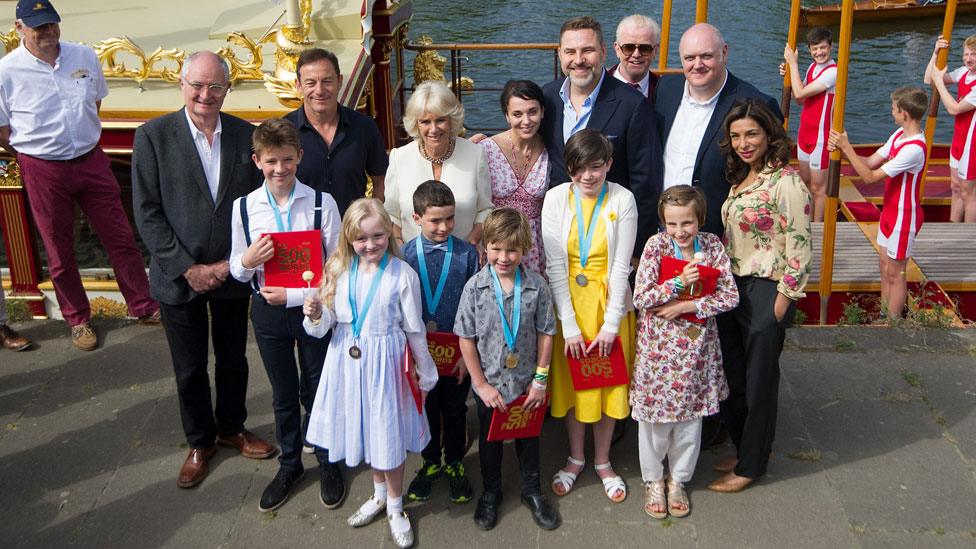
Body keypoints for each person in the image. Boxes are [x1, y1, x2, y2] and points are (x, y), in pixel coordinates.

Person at [133, 51, 273, 489]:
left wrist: (230, 263)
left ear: (227, 89)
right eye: (197, 85)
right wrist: (187, 268)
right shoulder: (152, 136)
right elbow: (147, 213)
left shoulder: (246, 136)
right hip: (179, 277)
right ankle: (200, 441)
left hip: (232, 271)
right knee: (189, 367)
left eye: (215, 86)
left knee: (233, 359)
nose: (205, 95)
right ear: (182, 84)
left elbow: (257, 209)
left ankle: (231, 427)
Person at [0, 0, 159, 351]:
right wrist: (37, 152)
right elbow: (2, 130)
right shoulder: (6, 71)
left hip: (90, 159)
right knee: (59, 249)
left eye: (52, 24)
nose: (48, 32)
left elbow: (95, 103)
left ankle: (144, 305)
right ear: (19, 29)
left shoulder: (83, 56)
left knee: (120, 237)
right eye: (39, 27)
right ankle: (77, 319)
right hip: (43, 168)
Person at [302, 198, 437, 549]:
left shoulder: (401, 274)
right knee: (368, 430)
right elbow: (326, 325)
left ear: (388, 235)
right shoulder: (337, 271)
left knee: (387, 433)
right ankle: (378, 495)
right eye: (361, 239)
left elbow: (414, 329)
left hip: (387, 364)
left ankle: (395, 506)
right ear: (348, 239)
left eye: (378, 236)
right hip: (347, 362)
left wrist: (425, 370)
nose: (370, 244)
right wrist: (317, 313)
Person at [228, 118, 342, 512]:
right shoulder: (243, 207)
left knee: (318, 387)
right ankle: (290, 463)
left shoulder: (321, 203)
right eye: (272, 161)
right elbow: (236, 268)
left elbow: (336, 269)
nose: (280, 169)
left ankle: (327, 460)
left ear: (300, 158)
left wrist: (296, 296)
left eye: (288, 160)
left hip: (312, 308)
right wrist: (247, 259)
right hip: (267, 313)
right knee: (283, 393)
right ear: (257, 160)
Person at [712, 99, 812, 493]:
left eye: (751, 133)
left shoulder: (787, 181)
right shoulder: (746, 176)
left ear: (769, 134)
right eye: (736, 136)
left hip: (768, 289)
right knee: (735, 377)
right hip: (736, 287)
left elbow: (800, 244)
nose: (743, 142)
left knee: (759, 383)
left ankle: (752, 466)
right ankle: (745, 449)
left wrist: (783, 300)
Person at [631, 185, 738, 519]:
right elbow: (641, 298)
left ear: (700, 219)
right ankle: (652, 480)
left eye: (687, 223)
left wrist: (689, 305)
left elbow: (730, 296)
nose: (680, 231)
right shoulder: (655, 246)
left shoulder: (712, 247)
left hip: (696, 350)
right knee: (655, 423)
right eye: (672, 224)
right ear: (663, 222)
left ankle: (678, 480)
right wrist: (676, 284)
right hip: (659, 351)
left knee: (690, 422)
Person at [541, 129, 637, 503]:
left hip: (609, 303)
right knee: (573, 386)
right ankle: (575, 457)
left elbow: (619, 268)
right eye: (579, 168)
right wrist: (567, 324)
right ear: (569, 168)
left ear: (609, 165)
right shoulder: (554, 199)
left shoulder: (623, 199)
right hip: (569, 306)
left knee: (608, 383)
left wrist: (612, 325)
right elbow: (554, 265)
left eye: (596, 167)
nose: (588, 176)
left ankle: (603, 461)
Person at [455, 207, 560, 531]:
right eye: (496, 248)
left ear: (525, 249)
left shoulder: (537, 286)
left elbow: (546, 333)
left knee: (529, 439)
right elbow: (466, 338)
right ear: (485, 247)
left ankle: (532, 490)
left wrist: (540, 381)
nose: (503, 257)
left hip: (527, 384)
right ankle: (491, 491)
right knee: (490, 442)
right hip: (491, 388)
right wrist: (480, 385)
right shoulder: (475, 287)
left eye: (512, 249)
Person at [541, 16, 661, 251]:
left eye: (587, 50)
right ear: (559, 54)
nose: (578, 60)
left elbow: (646, 183)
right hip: (558, 235)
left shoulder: (632, 105)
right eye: (570, 51)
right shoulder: (548, 98)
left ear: (604, 52)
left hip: (610, 238)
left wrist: (637, 252)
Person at [655, 23, 782, 236]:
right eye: (689, 58)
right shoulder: (666, 88)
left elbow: (770, 177)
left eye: (706, 56)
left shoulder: (756, 104)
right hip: (664, 228)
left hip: (720, 233)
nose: (697, 65)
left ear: (724, 52)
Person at [402, 180, 479, 504]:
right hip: (422, 354)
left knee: (455, 408)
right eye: (435, 220)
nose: (444, 226)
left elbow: (475, 305)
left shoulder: (467, 254)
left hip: (458, 352)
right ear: (417, 218)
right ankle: (431, 463)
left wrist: (468, 355)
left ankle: (456, 464)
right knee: (427, 408)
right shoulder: (406, 254)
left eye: (449, 218)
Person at [828, 88, 929, 321]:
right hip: (890, 212)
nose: (891, 112)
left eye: (894, 109)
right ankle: (884, 315)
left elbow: (869, 177)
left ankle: (893, 324)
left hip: (905, 217)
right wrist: (843, 152)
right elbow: (870, 162)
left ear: (904, 113)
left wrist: (847, 148)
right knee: (884, 266)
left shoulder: (914, 149)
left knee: (896, 273)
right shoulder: (899, 135)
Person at [384, 81, 492, 248]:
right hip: (411, 260)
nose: (433, 129)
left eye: (440, 120)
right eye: (425, 122)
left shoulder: (475, 155)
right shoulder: (399, 158)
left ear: (452, 120)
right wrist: (399, 245)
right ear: (416, 124)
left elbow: (485, 211)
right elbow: (391, 215)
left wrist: (471, 245)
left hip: (464, 259)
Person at [285, 48, 388, 215]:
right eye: (311, 83)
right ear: (298, 85)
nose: (319, 90)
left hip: (353, 234)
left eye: (327, 81)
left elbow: (381, 181)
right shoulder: (283, 131)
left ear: (340, 81)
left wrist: (371, 221)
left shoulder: (364, 127)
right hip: (304, 236)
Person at [481, 80, 549, 275]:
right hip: (498, 242)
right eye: (517, 114)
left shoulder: (551, 149)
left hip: (535, 244)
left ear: (542, 111)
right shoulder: (486, 149)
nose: (526, 121)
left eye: (532, 112)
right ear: (507, 116)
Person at [781, 27, 836, 223]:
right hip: (805, 135)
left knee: (818, 188)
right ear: (809, 50)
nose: (819, 53)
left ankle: (818, 225)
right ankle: (807, 220)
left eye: (823, 48)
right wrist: (789, 72)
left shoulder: (833, 72)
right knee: (805, 182)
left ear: (830, 47)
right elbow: (800, 101)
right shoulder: (813, 68)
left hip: (821, 138)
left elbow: (800, 93)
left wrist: (793, 65)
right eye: (815, 49)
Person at [925, 34, 976, 223]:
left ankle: (969, 238)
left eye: (973, 54)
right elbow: (929, 79)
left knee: (969, 193)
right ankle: (953, 227)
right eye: (966, 54)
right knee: (955, 187)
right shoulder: (964, 72)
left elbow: (954, 109)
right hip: (958, 141)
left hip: (972, 145)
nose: (968, 58)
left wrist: (939, 81)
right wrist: (936, 52)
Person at [609, 14, 661, 105]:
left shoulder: (664, 91)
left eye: (645, 48)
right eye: (629, 48)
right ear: (617, 49)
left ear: (655, 51)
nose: (636, 54)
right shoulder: (596, 87)